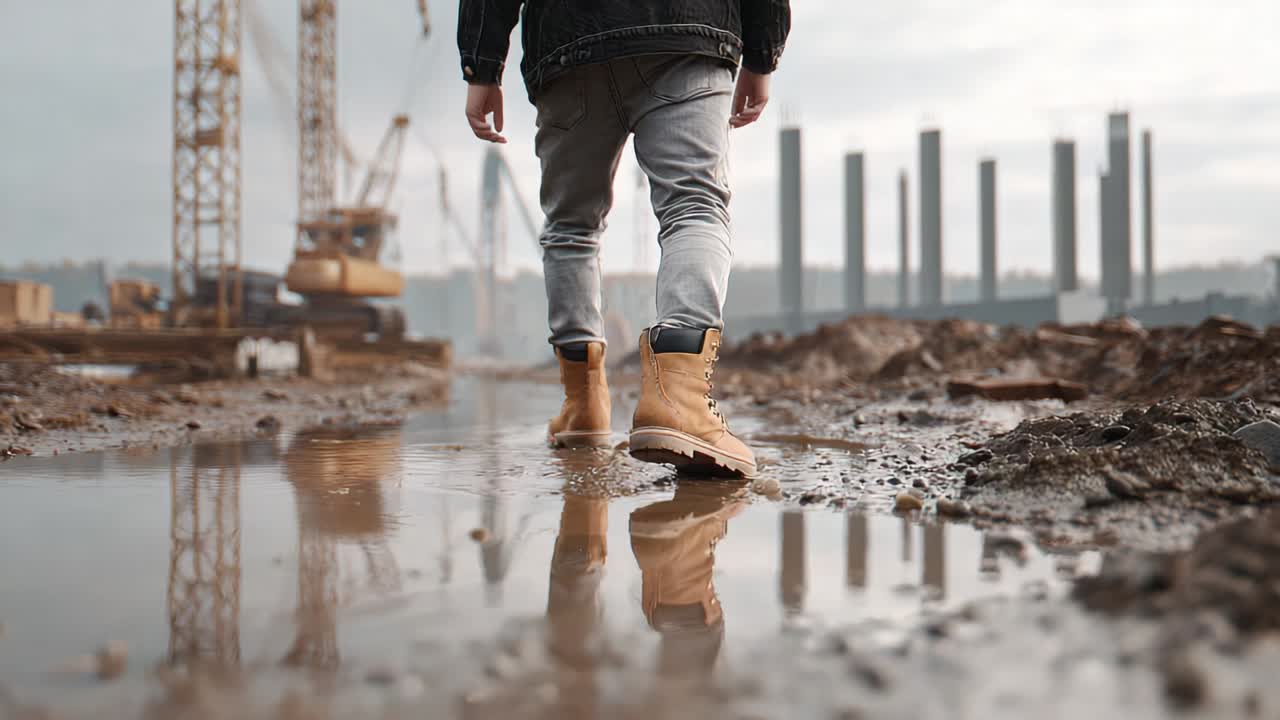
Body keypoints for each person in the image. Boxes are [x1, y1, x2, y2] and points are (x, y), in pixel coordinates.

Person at [458, 0, 791, 478]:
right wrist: (763, 52)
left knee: (571, 228)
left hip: (568, 45)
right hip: (686, 31)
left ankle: (584, 406)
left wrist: (482, 67)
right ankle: (679, 398)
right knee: (692, 205)